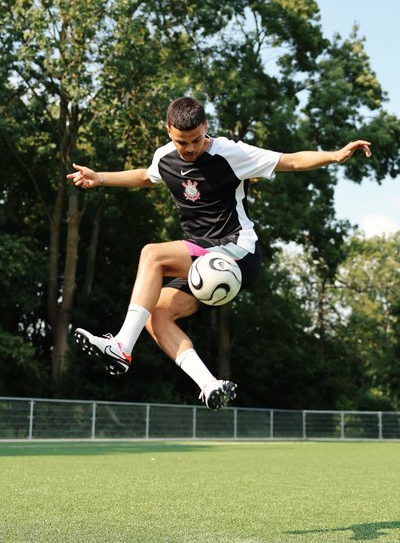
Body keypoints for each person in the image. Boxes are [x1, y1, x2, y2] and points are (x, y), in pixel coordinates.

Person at [67, 96, 371, 410]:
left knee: (152, 254)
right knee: (156, 315)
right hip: (203, 262)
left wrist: (334, 156)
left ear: (206, 127)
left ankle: (121, 346)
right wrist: (101, 177)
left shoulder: (231, 154)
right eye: (181, 142)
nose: (189, 148)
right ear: (169, 132)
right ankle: (210, 385)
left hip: (237, 252)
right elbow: (146, 176)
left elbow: (289, 160)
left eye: (196, 139)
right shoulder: (165, 158)